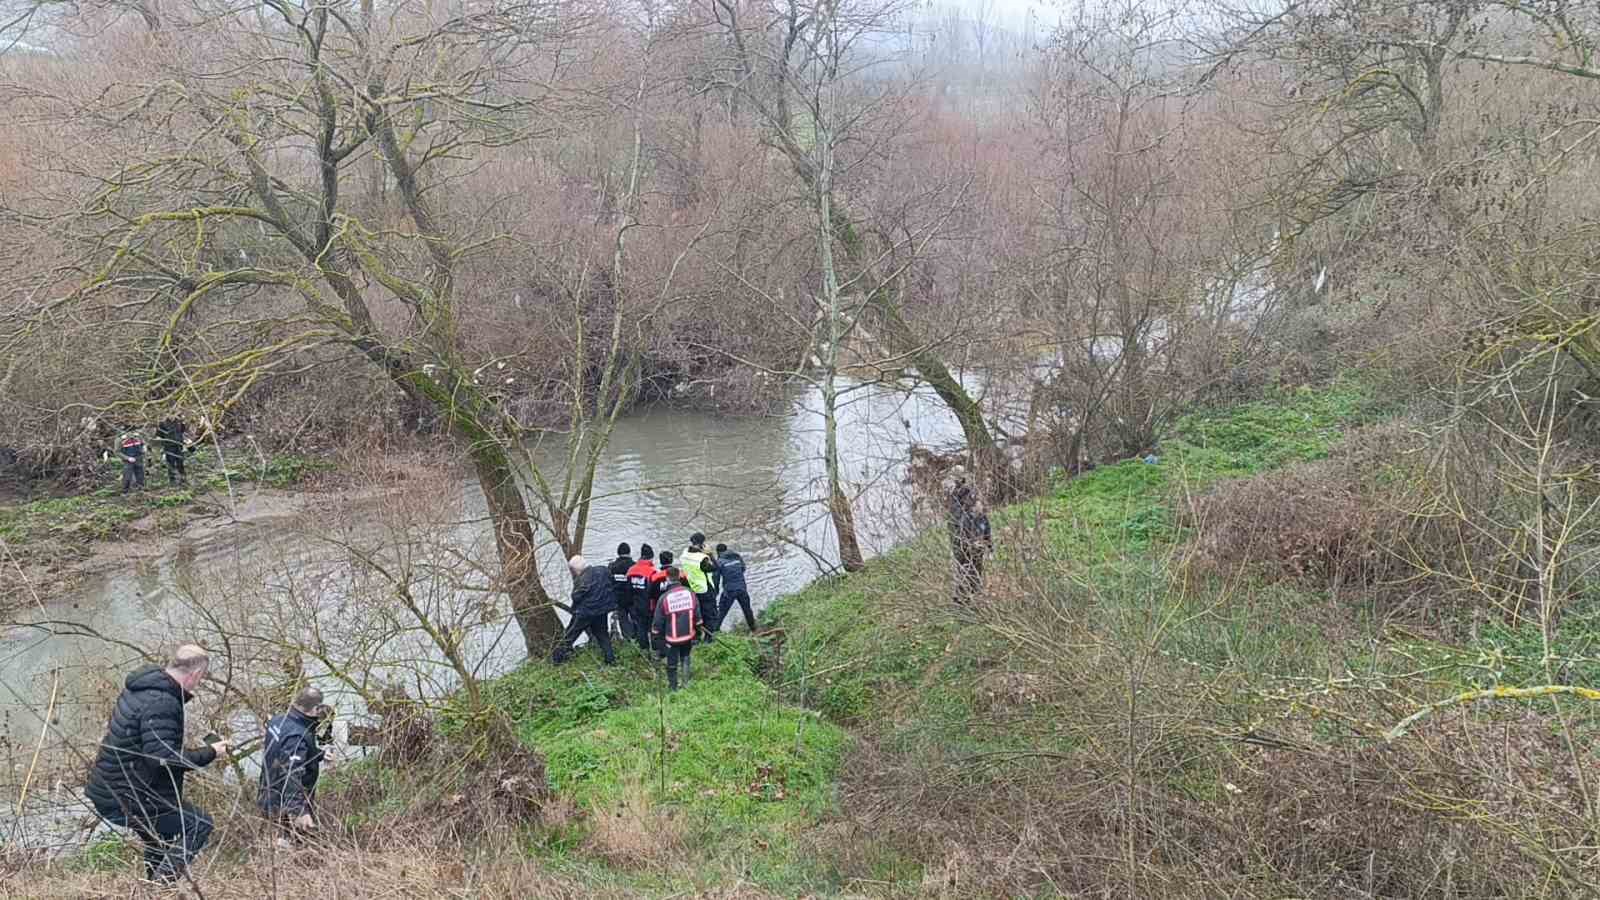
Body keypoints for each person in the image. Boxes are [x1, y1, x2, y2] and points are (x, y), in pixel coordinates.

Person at [85, 644, 229, 884]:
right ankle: (162, 888)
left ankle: (154, 884)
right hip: (125, 797)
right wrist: (210, 752)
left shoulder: (144, 687)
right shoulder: (163, 701)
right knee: (200, 824)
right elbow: (162, 758)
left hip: (113, 789)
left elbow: (150, 744)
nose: (199, 684)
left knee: (160, 838)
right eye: (201, 679)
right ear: (195, 675)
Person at [259, 687, 327, 843]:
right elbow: (291, 772)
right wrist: (298, 811)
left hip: (268, 791)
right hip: (286, 801)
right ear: (315, 708)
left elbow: (284, 750)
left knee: (273, 842)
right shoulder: (298, 734)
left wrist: (319, 754)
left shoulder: (278, 720)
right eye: (319, 708)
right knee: (290, 845)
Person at [552, 555, 617, 665]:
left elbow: (576, 597)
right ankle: (610, 660)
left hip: (586, 613)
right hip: (602, 610)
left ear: (575, 569)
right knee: (603, 635)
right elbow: (611, 581)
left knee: (571, 634)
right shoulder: (602, 570)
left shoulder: (581, 580)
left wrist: (575, 608)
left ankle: (557, 660)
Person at [651, 567, 699, 691]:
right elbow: (698, 616)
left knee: (672, 664)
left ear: (667, 579)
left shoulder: (664, 598)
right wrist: (698, 630)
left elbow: (658, 621)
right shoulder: (690, 593)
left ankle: (673, 688)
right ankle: (686, 684)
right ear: (679, 577)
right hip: (688, 635)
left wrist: (655, 636)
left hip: (672, 638)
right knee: (686, 658)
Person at [947, 479, 993, 602]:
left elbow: (988, 533)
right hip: (962, 548)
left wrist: (989, 548)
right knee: (964, 571)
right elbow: (960, 532)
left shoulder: (982, 518)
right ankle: (961, 598)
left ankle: (973, 595)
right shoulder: (960, 513)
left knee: (975, 572)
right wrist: (970, 543)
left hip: (976, 550)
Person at [679, 532, 718, 642]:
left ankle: (696, 637)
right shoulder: (702, 558)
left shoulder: (684, 554)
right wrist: (710, 554)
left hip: (691, 589)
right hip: (704, 589)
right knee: (710, 614)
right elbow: (715, 567)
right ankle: (708, 638)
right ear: (702, 544)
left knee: (696, 614)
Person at [713, 543, 757, 633]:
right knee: (747, 609)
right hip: (742, 588)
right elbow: (743, 568)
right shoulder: (737, 557)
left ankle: (715, 632)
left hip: (729, 591)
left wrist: (715, 592)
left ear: (718, 552)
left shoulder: (719, 561)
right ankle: (754, 629)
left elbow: (716, 579)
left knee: (722, 612)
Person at [624, 543, 658, 652]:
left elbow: (628, 590)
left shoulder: (631, 570)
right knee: (653, 629)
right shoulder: (652, 571)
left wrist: (630, 606)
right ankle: (655, 651)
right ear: (651, 557)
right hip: (649, 606)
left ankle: (644, 650)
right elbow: (655, 592)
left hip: (635, 605)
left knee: (640, 629)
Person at [608, 543, 636, 641]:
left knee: (623, 620)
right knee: (635, 618)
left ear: (618, 553)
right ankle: (637, 638)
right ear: (629, 552)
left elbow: (609, 582)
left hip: (618, 598)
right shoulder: (634, 566)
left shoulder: (612, 566)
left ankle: (628, 639)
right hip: (632, 598)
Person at [154, 418, 189, 486]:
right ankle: (172, 481)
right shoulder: (163, 423)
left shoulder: (179, 421)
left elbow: (182, 431)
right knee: (171, 464)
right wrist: (161, 445)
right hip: (169, 447)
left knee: (180, 463)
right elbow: (158, 435)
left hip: (179, 446)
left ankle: (183, 479)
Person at [117, 430, 147, 495]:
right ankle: (125, 492)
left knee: (140, 476)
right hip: (128, 460)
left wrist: (144, 448)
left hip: (138, 458)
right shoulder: (121, 439)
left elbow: (143, 444)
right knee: (127, 477)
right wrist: (127, 458)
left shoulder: (138, 436)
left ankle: (141, 490)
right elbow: (117, 451)